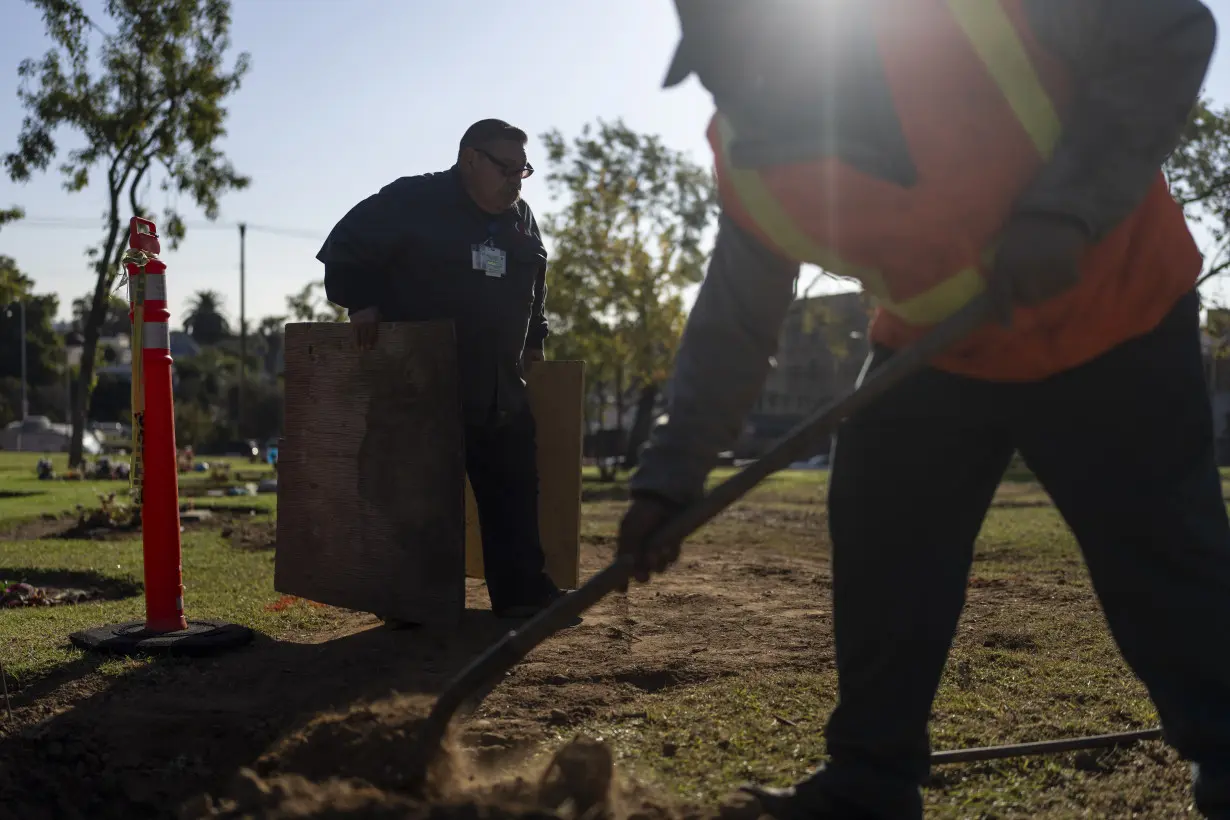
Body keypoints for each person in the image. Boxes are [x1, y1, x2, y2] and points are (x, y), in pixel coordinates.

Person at [617, 2, 1230, 818]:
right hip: (938, 352)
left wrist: (1066, 206)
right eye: (718, 67)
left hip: (1112, 316)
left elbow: (1171, 29)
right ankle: (869, 781)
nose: (740, 89)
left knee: (1164, 562)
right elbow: (734, 319)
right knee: (883, 545)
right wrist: (669, 477)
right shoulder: (751, 158)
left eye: (751, 55)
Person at [317, 118, 566, 621]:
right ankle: (413, 603)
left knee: (514, 490)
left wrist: (535, 341)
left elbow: (536, 284)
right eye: (506, 169)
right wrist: (360, 302)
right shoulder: (413, 200)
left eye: (524, 171)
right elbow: (345, 245)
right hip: (423, 384)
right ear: (469, 159)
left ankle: (523, 596)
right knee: (418, 498)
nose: (516, 181)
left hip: (499, 385)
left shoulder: (522, 219)